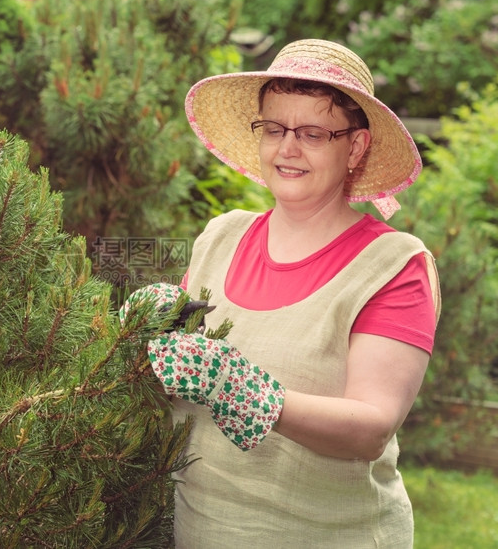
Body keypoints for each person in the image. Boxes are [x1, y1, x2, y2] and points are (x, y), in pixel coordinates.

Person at [141, 39, 441, 547]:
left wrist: (240, 388)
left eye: (313, 133)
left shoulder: (392, 266)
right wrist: (144, 338)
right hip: (197, 531)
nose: (288, 149)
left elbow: (370, 428)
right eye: (275, 128)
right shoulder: (220, 237)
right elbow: (176, 380)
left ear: (356, 147)